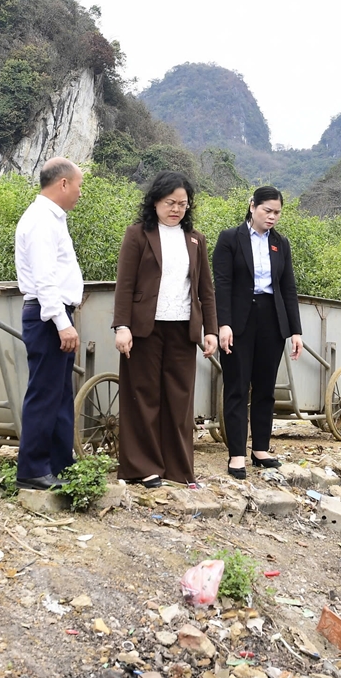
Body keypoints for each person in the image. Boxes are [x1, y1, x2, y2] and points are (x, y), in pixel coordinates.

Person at [112, 171, 218, 487]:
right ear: (156, 201)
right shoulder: (137, 234)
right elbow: (125, 284)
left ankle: (178, 469)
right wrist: (122, 326)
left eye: (182, 204)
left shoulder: (195, 239)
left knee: (179, 399)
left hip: (183, 328)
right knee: (142, 396)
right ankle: (143, 467)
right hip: (144, 328)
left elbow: (206, 289)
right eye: (170, 202)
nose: (176, 209)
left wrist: (210, 330)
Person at [212, 186, 303, 479]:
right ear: (252, 206)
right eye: (267, 210)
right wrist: (223, 324)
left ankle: (261, 449)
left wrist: (296, 331)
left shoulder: (280, 243)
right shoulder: (230, 239)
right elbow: (222, 284)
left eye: (277, 212)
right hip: (239, 320)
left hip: (271, 320)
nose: (272, 217)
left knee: (265, 388)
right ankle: (237, 453)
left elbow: (288, 288)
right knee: (237, 386)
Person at [13, 158, 85, 490]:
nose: (80, 193)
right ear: (63, 183)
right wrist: (61, 322)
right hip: (47, 316)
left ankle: (59, 464)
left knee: (60, 394)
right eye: (79, 186)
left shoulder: (53, 218)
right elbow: (44, 279)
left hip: (56, 314)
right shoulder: (41, 219)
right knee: (44, 393)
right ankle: (32, 469)